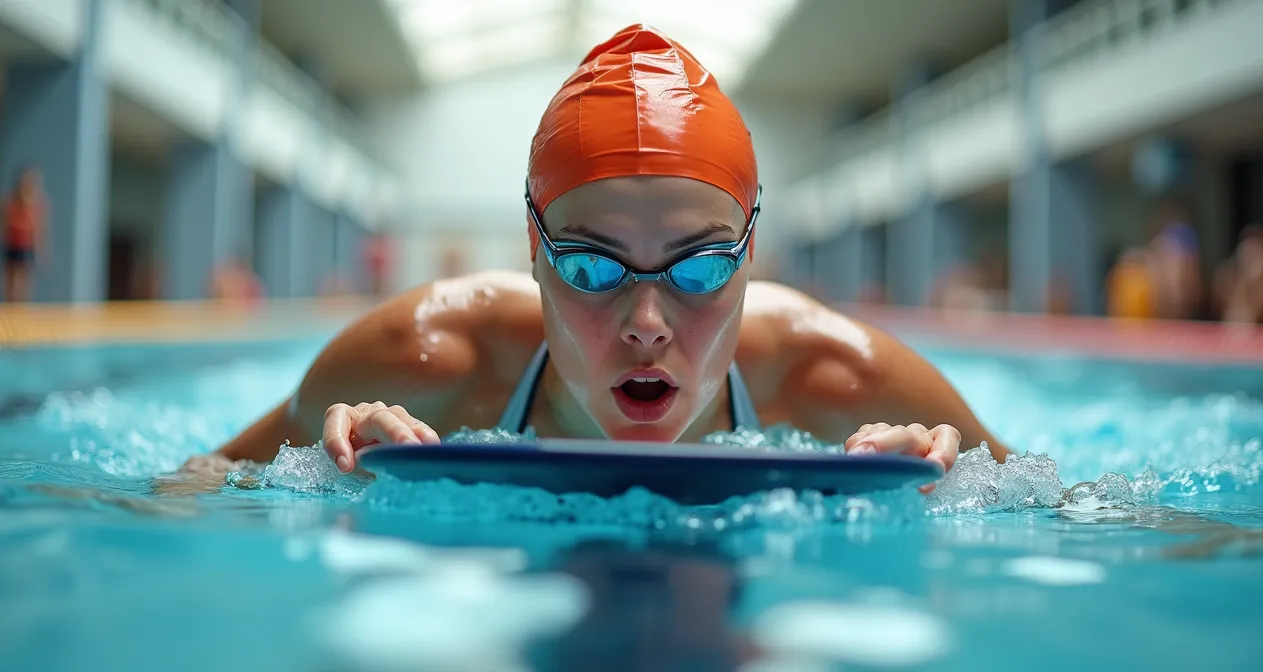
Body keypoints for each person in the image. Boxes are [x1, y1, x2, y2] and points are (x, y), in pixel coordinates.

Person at [201, 25, 1008, 490]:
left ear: (751, 254)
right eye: (592, 266)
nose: (647, 325)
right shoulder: (421, 356)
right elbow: (191, 482)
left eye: (699, 268)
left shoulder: (841, 376)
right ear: (533, 249)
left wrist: (953, 492)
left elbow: (1081, 510)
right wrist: (311, 475)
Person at [2, 166, 47, 303]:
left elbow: (39, 231)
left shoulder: (37, 205)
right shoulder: (10, 203)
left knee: (24, 277)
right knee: (12, 276)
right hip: (13, 244)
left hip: (26, 245)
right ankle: (11, 303)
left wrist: (41, 251)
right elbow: (5, 226)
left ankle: (22, 304)